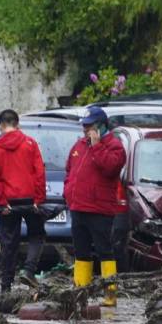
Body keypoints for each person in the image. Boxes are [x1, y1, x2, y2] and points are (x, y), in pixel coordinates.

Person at [64, 106, 126, 307]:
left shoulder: (115, 147)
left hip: (100, 209)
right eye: (84, 127)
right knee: (80, 252)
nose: (85, 130)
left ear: (100, 126)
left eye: (89, 127)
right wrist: (68, 192)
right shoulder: (78, 146)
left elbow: (110, 168)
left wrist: (97, 145)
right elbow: (69, 171)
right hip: (78, 207)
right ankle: (80, 292)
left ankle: (110, 295)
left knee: (104, 251)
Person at [0, 109, 47, 293]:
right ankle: (28, 271)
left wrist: (2, 202)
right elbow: (39, 172)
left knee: (8, 243)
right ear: (17, 124)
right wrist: (39, 199)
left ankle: (6, 287)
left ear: (1, 126)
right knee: (37, 235)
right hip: (30, 199)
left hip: (9, 202)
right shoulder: (30, 143)